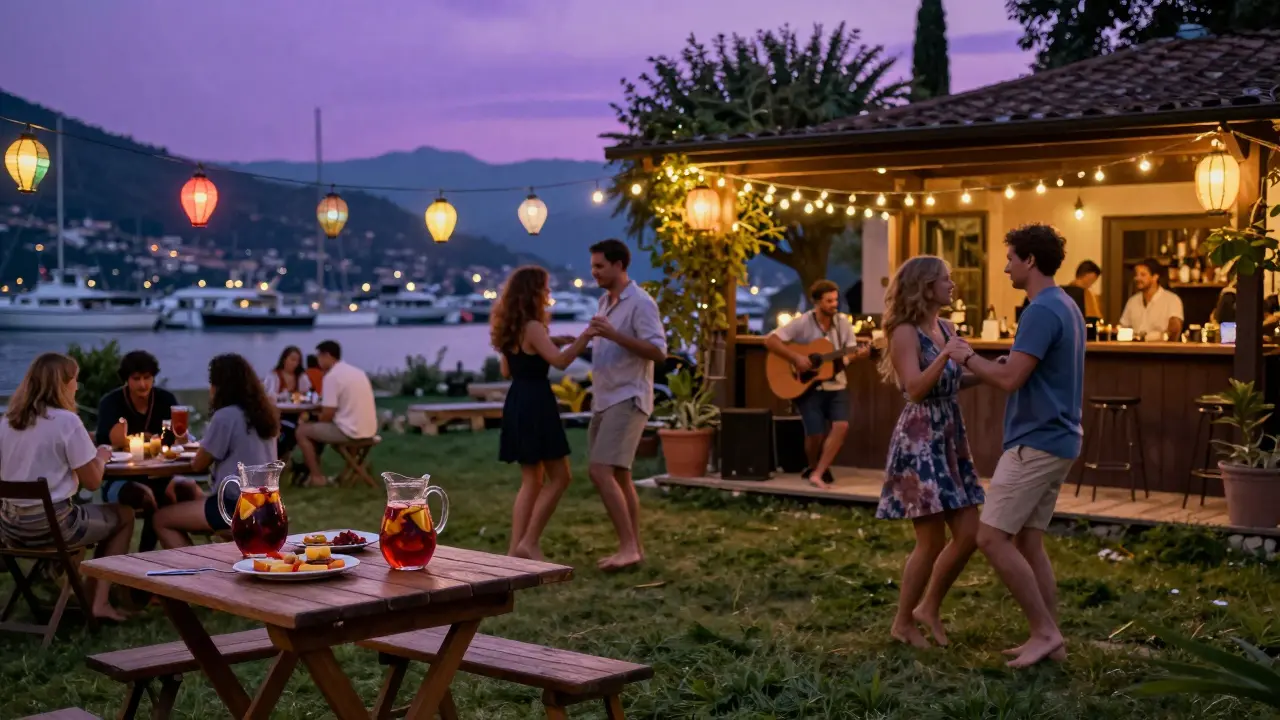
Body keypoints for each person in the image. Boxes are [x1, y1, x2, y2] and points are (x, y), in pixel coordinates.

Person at [947, 223, 1085, 668]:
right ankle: (1052, 640)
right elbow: (1021, 371)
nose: (1005, 267)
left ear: (1029, 261)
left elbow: (1010, 381)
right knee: (1029, 541)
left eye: (1009, 259)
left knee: (990, 536)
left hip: (1037, 440)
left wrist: (964, 355)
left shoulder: (1041, 311)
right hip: (1059, 437)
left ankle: (1044, 631)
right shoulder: (1065, 304)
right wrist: (1000, 363)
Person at [877, 256, 985, 649]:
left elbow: (949, 383)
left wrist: (988, 373)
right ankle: (903, 622)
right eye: (946, 279)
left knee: (970, 532)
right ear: (925, 286)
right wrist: (945, 355)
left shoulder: (946, 327)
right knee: (931, 540)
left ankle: (929, 607)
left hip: (949, 434)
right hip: (920, 438)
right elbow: (914, 388)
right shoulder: (904, 332)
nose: (952, 285)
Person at [0, 353, 135, 621]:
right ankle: (98, 602)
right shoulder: (66, 422)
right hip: (53, 527)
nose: (77, 387)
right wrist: (100, 457)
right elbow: (93, 481)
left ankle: (65, 584)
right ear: (62, 384)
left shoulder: (6, 422)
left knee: (80, 514)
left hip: (10, 528)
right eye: (75, 381)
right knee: (125, 515)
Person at [491, 266, 596, 561]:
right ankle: (530, 542)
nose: (549, 294)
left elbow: (506, 368)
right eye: (545, 289)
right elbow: (561, 363)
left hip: (518, 401)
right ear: (533, 292)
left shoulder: (512, 327)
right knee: (560, 477)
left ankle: (515, 551)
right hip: (537, 402)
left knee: (531, 480)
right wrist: (584, 336)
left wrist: (549, 343)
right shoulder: (534, 326)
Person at [585, 239, 667, 571]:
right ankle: (634, 547)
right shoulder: (605, 301)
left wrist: (615, 335)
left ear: (620, 266)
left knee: (600, 470)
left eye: (600, 266)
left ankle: (628, 548)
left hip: (628, 396)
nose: (594, 272)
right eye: (593, 266)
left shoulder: (641, 303)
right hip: (604, 397)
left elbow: (658, 351)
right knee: (619, 475)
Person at [152, 354, 279, 549]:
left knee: (161, 518)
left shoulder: (226, 416)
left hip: (234, 506)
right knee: (189, 492)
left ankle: (191, 572)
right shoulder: (261, 414)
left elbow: (199, 464)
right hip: (267, 506)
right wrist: (188, 440)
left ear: (220, 386)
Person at [765, 279, 871, 488]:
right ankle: (813, 466)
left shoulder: (843, 323)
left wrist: (859, 355)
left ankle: (818, 473)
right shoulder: (803, 322)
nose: (834, 304)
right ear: (816, 302)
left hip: (837, 384)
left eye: (835, 300)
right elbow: (770, 341)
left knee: (841, 426)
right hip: (808, 386)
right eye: (829, 301)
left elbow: (849, 353)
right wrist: (796, 358)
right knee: (815, 434)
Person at [94, 350, 200, 551]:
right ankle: (144, 556)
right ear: (127, 380)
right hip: (119, 477)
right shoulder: (112, 402)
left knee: (181, 490)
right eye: (136, 379)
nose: (143, 384)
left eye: (147, 378)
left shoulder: (164, 399)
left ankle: (163, 553)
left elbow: (177, 439)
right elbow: (107, 441)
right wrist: (145, 439)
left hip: (160, 475)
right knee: (146, 497)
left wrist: (180, 436)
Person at [295, 340, 378, 487]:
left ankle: (316, 477)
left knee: (302, 431)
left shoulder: (332, 377)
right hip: (369, 429)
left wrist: (311, 417)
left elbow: (327, 415)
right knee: (317, 429)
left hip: (350, 432)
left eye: (319, 357)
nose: (318, 361)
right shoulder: (357, 372)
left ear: (327, 356)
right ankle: (350, 472)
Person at [263, 346, 312, 459]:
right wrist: (291, 397)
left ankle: (282, 460)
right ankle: (278, 459)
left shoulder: (301, 377)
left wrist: (291, 397)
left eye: (297, 361)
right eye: (292, 359)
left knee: (294, 430)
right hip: (277, 414)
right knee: (283, 433)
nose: (294, 363)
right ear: (284, 359)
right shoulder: (274, 376)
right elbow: (270, 396)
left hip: (297, 413)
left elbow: (307, 396)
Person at [1119, 258, 1183, 340]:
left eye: (1143, 275)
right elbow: (1123, 328)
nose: (1137, 278)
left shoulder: (1172, 300)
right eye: (1136, 275)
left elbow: (1175, 330)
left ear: (1155, 277)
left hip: (1160, 350)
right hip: (1134, 350)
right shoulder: (1132, 301)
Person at [1018, 259, 1101, 320]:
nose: (1091, 285)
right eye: (1093, 281)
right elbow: (1095, 319)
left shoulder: (1056, 292)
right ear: (1089, 276)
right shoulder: (1086, 294)